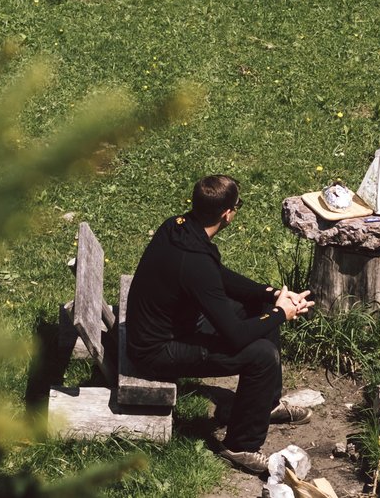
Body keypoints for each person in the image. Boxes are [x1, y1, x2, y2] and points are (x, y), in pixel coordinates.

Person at [126, 175, 316, 474]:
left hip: (174, 323)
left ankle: (265, 405)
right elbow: (236, 336)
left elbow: (217, 276)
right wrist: (282, 314)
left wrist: (273, 295)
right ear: (228, 213)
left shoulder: (177, 227)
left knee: (262, 306)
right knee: (262, 356)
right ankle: (240, 446)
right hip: (156, 351)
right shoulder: (194, 261)